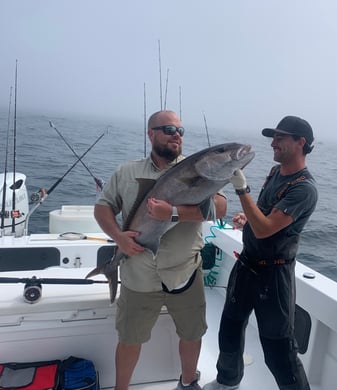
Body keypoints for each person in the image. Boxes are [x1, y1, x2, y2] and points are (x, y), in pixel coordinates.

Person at [94, 110, 227, 390]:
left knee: (192, 334)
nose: (176, 134)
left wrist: (174, 213)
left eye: (180, 130)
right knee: (130, 339)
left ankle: (188, 383)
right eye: (167, 129)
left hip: (184, 272)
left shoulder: (199, 170)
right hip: (139, 273)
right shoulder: (127, 172)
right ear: (150, 133)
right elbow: (103, 206)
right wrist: (118, 237)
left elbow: (220, 210)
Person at [203, 116, 318, 390]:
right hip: (246, 266)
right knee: (229, 329)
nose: (273, 143)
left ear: (300, 142)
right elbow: (264, 217)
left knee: (278, 350)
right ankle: (227, 382)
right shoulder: (276, 173)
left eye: (280, 137)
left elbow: (266, 229)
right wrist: (247, 218)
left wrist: (242, 189)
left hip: (273, 276)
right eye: (273, 137)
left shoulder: (305, 189)